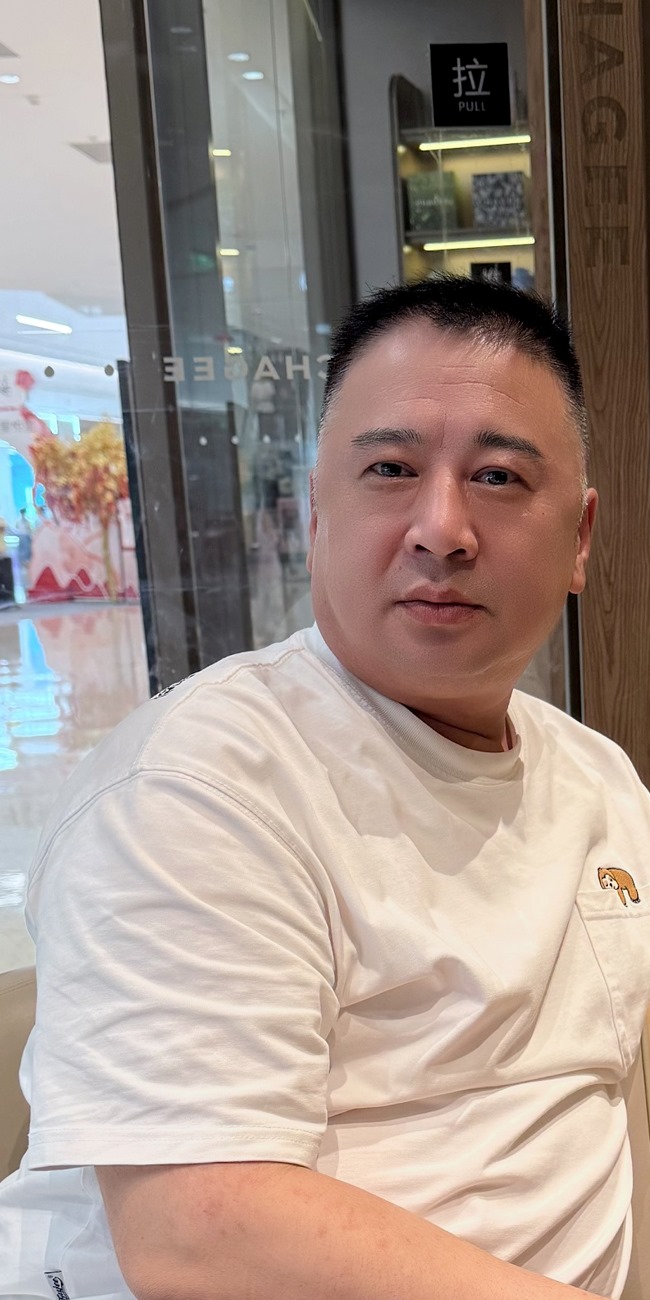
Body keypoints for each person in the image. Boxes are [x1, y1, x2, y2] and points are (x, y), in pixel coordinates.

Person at [1, 276, 649, 1300]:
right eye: (390, 469)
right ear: (315, 512)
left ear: (578, 539)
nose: (441, 528)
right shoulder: (199, 784)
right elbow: (197, 1236)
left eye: (497, 477)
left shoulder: (599, 779)